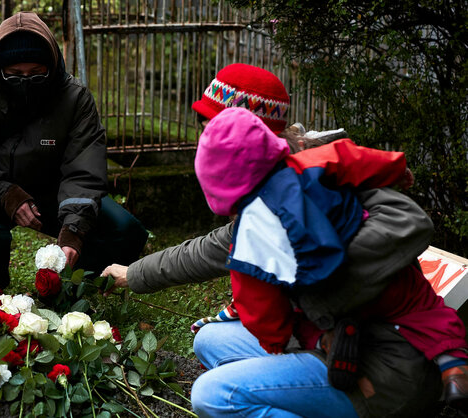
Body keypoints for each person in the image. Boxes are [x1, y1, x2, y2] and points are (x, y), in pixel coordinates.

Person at [100, 63, 461, 416]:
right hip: (328, 339)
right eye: (204, 124)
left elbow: (411, 220)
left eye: (213, 124)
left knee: (212, 395)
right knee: (210, 341)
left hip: (383, 360)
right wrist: (133, 274)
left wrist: (318, 278)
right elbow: (209, 250)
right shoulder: (263, 198)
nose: (205, 135)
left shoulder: (321, 177)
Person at [197, 107, 468, 401]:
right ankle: (453, 367)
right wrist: (397, 169)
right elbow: (355, 158)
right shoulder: (308, 164)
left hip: (320, 299)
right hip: (377, 276)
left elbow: (257, 303)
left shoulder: (246, 240)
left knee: (307, 325)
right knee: (422, 305)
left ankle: (328, 342)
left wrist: (275, 342)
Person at [0, 12, 148, 290]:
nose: (25, 82)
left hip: (55, 192)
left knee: (125, 230)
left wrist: (73, 230)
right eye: (14, 75)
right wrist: (7, 195)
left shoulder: (75, 99)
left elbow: (84, 170)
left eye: (36, 74)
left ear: (51, 67)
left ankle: (74, 290)